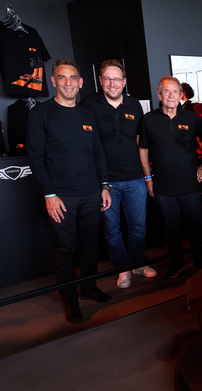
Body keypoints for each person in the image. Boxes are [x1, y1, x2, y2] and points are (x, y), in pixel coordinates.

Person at [27, 57, 112, 324]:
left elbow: (98, 153)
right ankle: (70, 299)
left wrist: (104, 186)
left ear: (81, 82)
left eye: (72, 77)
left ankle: (88, 287)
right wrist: (49, 195)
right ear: (54, 81)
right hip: (61, 196)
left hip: (91, 193)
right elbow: (35, 158)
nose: (68, 83)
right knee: (65, 249)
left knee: (91, 245)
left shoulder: (87, 114)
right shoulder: (40, 114)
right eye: (62, 77)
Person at [81, 59, 156, 289]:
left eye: (116, 79)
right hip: (106, 182)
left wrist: (147, 175)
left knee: (138, 226)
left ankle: (139, 263)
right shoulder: (88, 105)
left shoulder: (134, 105)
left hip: (135, 178)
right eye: (107, 79)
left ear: (124, 82)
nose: (112, 83)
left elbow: (140, 141)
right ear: (100, 80)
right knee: (112, 229)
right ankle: (122, 268)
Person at [139, 76, 202, 278]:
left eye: (175, 91)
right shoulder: (148, 120)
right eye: (166, 91)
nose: (171, 95)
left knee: (196, 228)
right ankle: (177, 264)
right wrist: (148, 179)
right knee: (171, 230)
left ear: (180, 95)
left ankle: (200, 265)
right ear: (159, 94)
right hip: (163, 186)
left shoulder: (192, 119)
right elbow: (143, 150)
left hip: (190, 184)